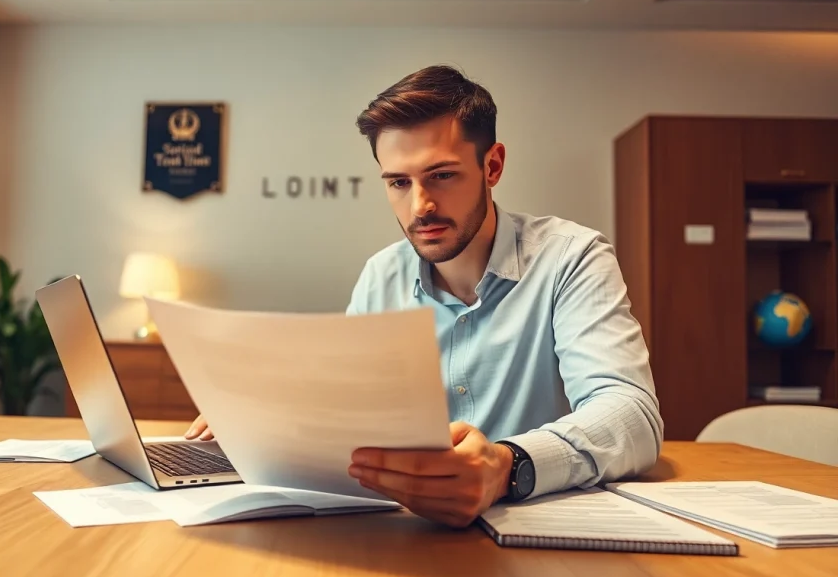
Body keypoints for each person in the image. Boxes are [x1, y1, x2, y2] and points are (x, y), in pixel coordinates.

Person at [185, 64, 663, 528]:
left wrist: (506, 466)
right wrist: (260, 413)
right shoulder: (380, 276)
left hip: (535, 537)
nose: (420, 207)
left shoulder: (571, 258)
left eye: (442, 175)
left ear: (492, 165)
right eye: (398, 182)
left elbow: (632, 415)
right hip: (401, 536)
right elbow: (345, 404)